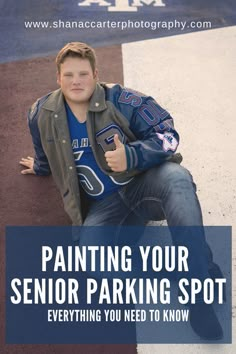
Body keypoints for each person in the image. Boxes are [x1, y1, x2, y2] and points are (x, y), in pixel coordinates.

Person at [20, 42, 224, 340]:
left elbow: (170, 137)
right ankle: (174, 273)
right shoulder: (40, 113)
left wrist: (133, 155)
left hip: (144, 186)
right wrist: (40, 167)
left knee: (178, 178)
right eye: (69, 75)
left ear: (96, 75)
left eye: (83, 74)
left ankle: (198, 284)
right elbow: (43, 150)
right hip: (105, 209)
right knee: (91, 261)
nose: (76, 81)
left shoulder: (122, 99)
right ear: (58, 78)